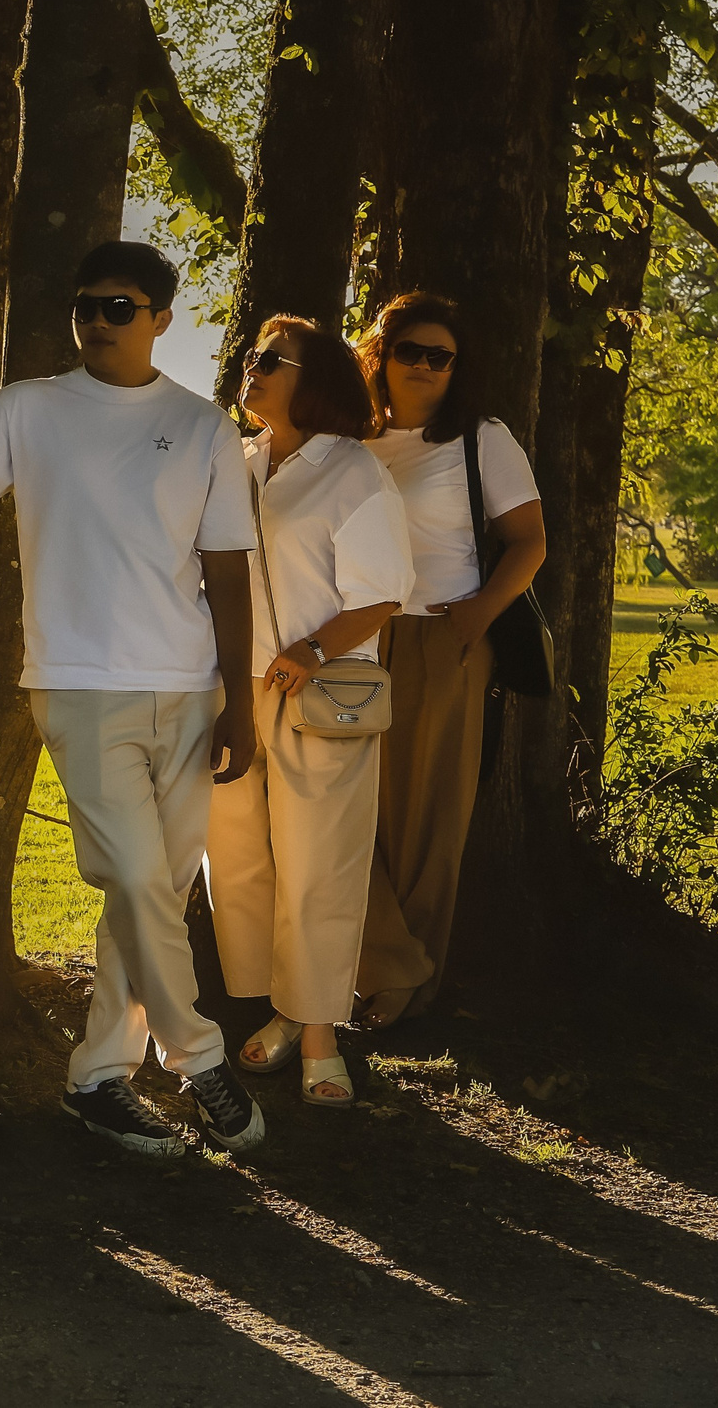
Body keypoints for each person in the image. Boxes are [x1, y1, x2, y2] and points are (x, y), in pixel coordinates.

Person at [0, 240, 266, 1159]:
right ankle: (200, 1058)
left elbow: (228, 570)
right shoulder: (27, 410)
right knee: (139, 879)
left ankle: (96, 1078)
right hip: (79, 685)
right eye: (85, 306)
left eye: (120, 306)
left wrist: (239, 696)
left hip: (191, 688)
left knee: (139, 892)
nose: (97, 322)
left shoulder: (202, 427)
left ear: (161, 317)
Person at [206, 318, 414, 1109]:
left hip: (319, 689)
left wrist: (312, 651)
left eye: (270, 359)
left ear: (315, 377)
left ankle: (320, 1032)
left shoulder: (354, 470)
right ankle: (280, 1005)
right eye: (250, 356)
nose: (250, 368)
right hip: (234, 686)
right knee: (239, 859)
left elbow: (384, 589)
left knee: (318, 864)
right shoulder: (236, 458)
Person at [353, 292, 547, 1028]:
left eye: (442, 356)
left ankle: (405, 992)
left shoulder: (479, 438)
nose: (428, 365)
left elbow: (530, 541)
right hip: (353, 638)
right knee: (342, 810)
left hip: (444, 637)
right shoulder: (350, 439)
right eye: (412, 350)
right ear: (381, 354)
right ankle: (383, 961)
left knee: (428, 816)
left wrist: (477, 614)